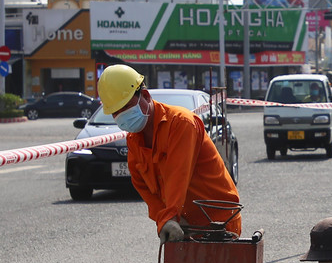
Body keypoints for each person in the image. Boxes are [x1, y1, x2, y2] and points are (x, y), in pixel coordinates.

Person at [97, 64, 241, 241]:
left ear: (145, 95)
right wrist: (164, 219)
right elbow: (142, 185)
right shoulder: (135, 140)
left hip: (218, 223)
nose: (121, 116)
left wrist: (171, 215)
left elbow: (178, 174)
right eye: (115, 112)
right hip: (183, 227)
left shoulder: (181, 123)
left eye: (125, 107)